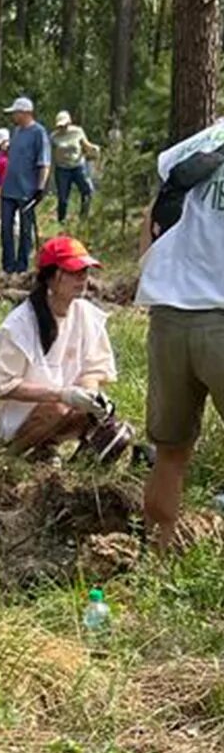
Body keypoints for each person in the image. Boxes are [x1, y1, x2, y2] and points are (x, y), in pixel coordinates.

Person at [0, 237, 132, 459]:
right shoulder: (18, 327)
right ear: (51, 278)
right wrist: (63, 394)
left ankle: (45, 449)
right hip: (2, 416)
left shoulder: (86, 316)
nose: (83, 278)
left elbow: (94, 368)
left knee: (96, 413)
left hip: (51, 406)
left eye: (85, 271)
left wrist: (89, 394)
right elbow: (7, 385)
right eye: (74, 272)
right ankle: (10, 458)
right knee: (59, 408)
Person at [138, 114, 224, 549]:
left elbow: (151, 217)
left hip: (170, 316)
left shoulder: (198, 144)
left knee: (170, 452)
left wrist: (152, 282)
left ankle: (157, 556)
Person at [1, 97, 50, 274]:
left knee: (25, 230)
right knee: (6, 228)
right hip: (9, 188)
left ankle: (21, 266)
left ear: (25, 113)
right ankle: (7, 265)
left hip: (26, 190)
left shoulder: (39, 133)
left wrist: (40, 188)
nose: (13, 116)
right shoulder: (16, 132)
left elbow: (44, 162)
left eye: (16, 113)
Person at [50, 110, 98, 222]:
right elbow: (49, 152)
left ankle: (84, 217)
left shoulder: (78, 132)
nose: (62, 128)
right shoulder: (53, 137)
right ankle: (61, 220)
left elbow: (86, 145)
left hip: (78, 166)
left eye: (64, 125)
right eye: (60, 126)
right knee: (63, 198)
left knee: (87, 191)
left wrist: (93, 149)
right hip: (62, 169)